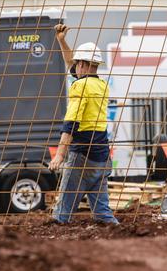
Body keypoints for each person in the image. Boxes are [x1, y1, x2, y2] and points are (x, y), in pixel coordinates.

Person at [48, 24, 119, 224]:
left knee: (62, 213)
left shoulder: (80, 85)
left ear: (83, 65)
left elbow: (71, 122)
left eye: (77, 63)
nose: (75, 67)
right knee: (103, 214)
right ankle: (122, 236)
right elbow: (72, 63)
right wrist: (61, 41)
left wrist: (60, 155)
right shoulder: (101, 85)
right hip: (101, 155)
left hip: (82, 156)